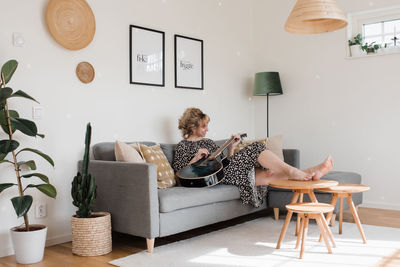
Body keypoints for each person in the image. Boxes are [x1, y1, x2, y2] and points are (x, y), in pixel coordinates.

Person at [172, 107, 334, 207]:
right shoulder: (182, 146)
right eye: (203, 126)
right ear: (192, 127)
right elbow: (180, 175)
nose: (207, 129)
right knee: (256, 148)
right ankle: (298, 172)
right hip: (214, 180)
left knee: (268, 174)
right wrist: (194, 159)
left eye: (207, 125)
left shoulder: (208, 142)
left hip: (226, 173)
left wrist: (231, 148)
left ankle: (311, 171)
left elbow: (223, 164)